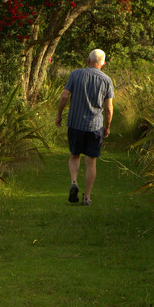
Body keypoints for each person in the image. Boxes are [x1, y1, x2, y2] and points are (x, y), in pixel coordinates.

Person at [55, 48, 114, 206]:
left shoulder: (75, 74)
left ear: (88, 61)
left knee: (74, 155)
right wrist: (107, 126)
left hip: (75, 123)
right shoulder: (107, 80)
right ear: (103, 64)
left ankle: (74, 181)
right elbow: (108, 109)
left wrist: (59, 114)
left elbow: (64, 96)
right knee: (91, 161)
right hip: (95, 125)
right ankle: (87, 196)